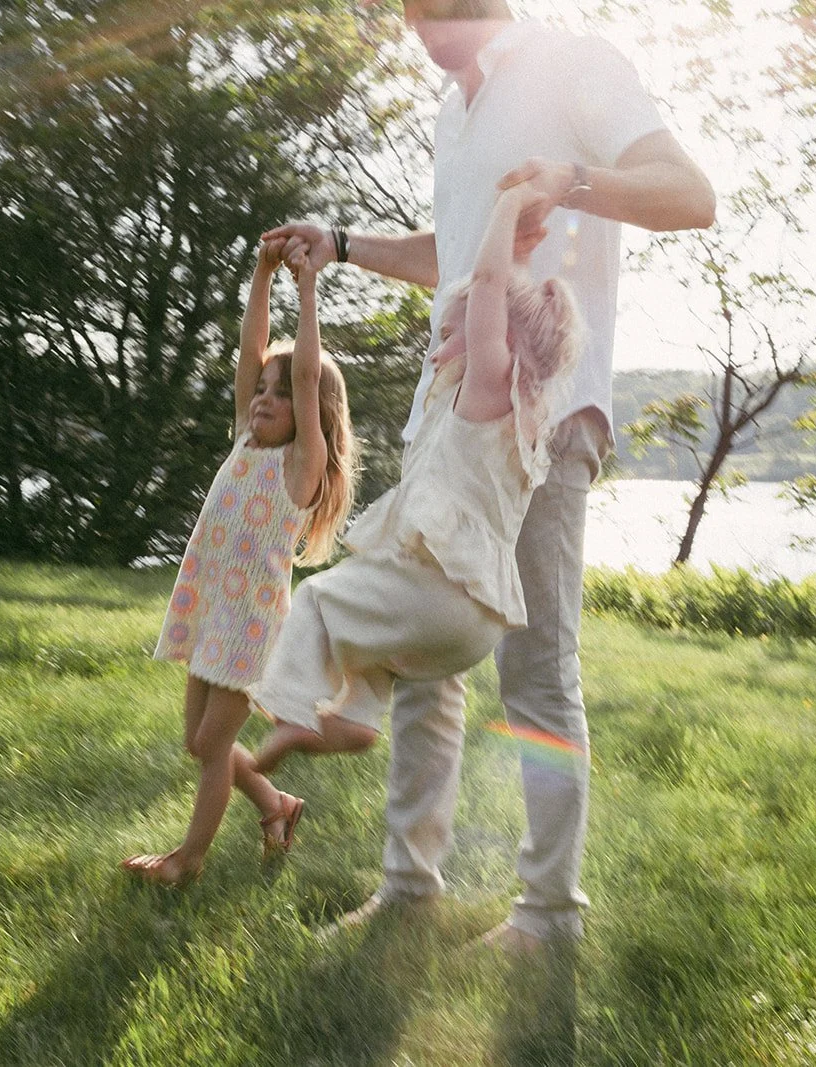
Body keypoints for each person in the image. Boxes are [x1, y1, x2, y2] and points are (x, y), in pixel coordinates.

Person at [263, 0, 714, 949]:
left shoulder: (574, 63)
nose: (417, 26)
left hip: (539, 408)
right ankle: (408, 888)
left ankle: (549, 914)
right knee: (427, 655)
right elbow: (454, 254)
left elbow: (689, 194)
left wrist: (573, 179)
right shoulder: (452, 110)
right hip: (448, 412)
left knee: (536, 665)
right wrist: (342, 245)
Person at [237, 183, 579, 837]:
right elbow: (487, 299)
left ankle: (294, 712)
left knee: (317, 603)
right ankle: (356, 717)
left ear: (495, 338)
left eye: (449, 331)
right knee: (369, 645)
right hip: (470, 626)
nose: (438, 344)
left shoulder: (487, 389)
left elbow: (484, 286)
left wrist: (506, 205)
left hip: (440, 592)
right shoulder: (525, 422)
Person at [122, 237, 358, 885]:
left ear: (310, 414)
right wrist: (260, 273)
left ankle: (186, 861)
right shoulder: (247, 439)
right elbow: (251, 355)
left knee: (210, 748)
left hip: (251, 621)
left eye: (280, 396)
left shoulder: (298, 464)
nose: (264, 398)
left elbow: (305, 374)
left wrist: (307, 286)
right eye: (262, 391)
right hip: (211, 608)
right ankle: (278, 805)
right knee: (198, 742)